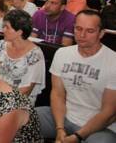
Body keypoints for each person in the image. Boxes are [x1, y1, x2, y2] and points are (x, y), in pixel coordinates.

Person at [36, 10, 116, 143]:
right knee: (20, 118)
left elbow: (109, 112)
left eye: (90, 31)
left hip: (100, 126)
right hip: (63, 116)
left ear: (101, 33)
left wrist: (78, 136)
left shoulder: (112, 61)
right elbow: (57, 94)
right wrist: (60, 129)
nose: (82, 35)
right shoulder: (62, 53)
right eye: (78, 29)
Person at [0, 10, 45, 104]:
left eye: (7, 27)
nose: (3, 30)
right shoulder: (0, 45)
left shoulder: (35, 54)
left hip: (19, 103)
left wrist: (0, 101)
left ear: (19, 32)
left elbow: (26, 90)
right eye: (3, 26)